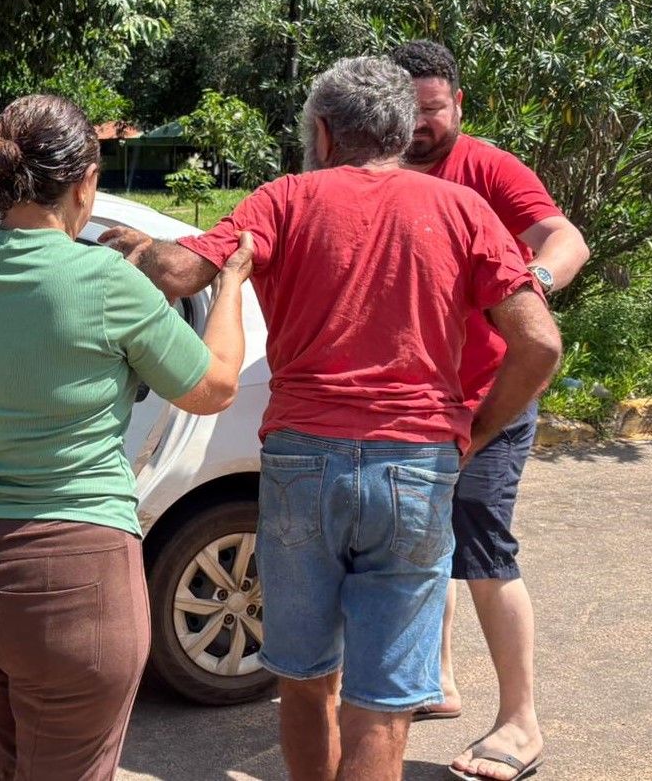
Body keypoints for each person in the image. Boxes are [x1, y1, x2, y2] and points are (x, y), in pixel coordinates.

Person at [100, 56, 562, 781]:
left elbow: (179, 273)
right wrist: (472, 431)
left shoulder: (284, 199)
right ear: (403, 130)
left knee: (305, 676)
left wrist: (131, 247)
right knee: (382, 700)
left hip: (301, 464)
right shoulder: (463, 210)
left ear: (322, 130)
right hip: (417, 466)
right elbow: (540, 342)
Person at [0, 94, 252, 781]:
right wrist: (232, 284)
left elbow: (36, 311)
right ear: (86, 181)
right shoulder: (104, 286)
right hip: (68, 584)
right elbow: (212, 387)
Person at [391, 40, 590, 781]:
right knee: (421, 528)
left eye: (432, 109)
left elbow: (566, 238)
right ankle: (434, 682)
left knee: (478, 535)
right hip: (417, 393)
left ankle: (520, 721)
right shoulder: (373, 167)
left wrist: (530, 281)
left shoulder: (486, 167)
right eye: (405, 110)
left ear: (458, 105)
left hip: (496, 391)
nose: (418, 124)